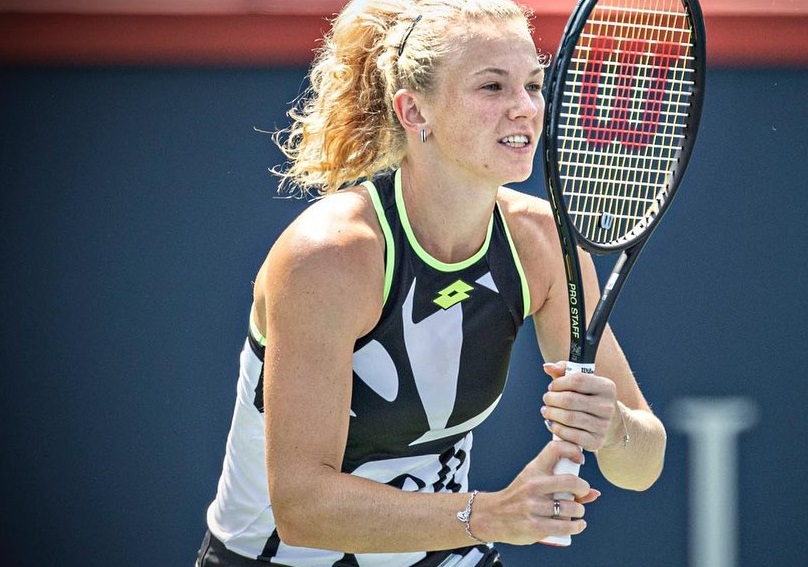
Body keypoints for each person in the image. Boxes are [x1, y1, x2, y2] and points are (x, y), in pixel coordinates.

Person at [197, 1, 667, 565]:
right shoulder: (329, 258)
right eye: (492, 87)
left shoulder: (540, 242)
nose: (525, 108)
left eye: (535, 85)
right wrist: (489, 515)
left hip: (445, 553)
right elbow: (303, 505)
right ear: (415, 111)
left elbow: (644, 463)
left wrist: (612, 426)